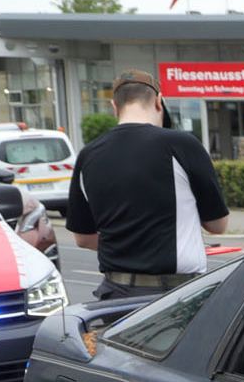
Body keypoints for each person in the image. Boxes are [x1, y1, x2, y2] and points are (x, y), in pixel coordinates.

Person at [67, 70, 230, 299]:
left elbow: (83, 238)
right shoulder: (181, 145)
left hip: (114, 294)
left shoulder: (88, 155)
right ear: (158, 101)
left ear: (114, 106)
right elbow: (217, 225)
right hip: (174, 296)